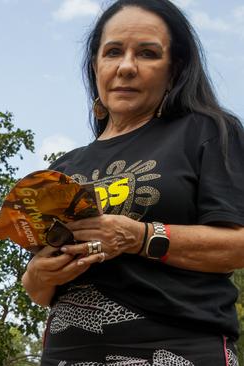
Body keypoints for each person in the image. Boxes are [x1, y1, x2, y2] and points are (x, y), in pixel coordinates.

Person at [20, 0, 244, 365]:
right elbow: (38, 290)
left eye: (147, 53)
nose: (126, 67)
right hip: (67, 352)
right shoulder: (63, 168)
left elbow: (239, 246)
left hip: (176, 348)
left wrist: (139, 238)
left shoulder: (208, 132)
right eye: (113, 52)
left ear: (175, 69)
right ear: (96, 67)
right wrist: (39, 274)